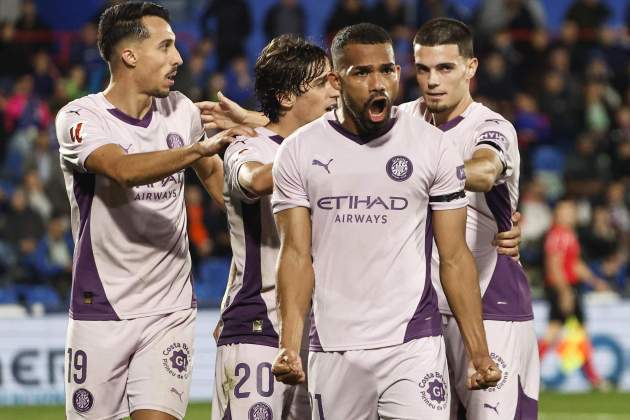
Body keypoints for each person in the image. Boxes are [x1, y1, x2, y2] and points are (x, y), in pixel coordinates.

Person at [270, 23, 500, 419]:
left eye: (387, 70)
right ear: (335, 80)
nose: (378, 83)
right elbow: (294, 256)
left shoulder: (431, 147)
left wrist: (478, 352)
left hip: (412, 344)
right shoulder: (299, 152)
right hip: (334, 345)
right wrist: (290, 346)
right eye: (362, 72)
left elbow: (455, 257)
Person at [55, 3, 250, 419]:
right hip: (102, 308)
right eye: (166, 46)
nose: (177, 58)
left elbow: (221, 188)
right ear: (129, 55)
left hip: (170, 309)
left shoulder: (181, 111)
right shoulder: (80, 118)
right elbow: (121, 171)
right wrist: (197, 149)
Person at [399, 18, 539, 419]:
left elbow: (484, 171)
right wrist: (259, 122)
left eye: (446, 68)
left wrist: (417, 172)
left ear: (471, 68)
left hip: (491, 303)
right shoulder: (400, 121)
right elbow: (325, 129)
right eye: (423, 69)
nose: (432, 81)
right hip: (422, 312)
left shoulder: (492, 126)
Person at [209, 34, 338, 420]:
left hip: (322, 332)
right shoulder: (247, 145)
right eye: (321, 83)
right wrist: (311, 145)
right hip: (258, 326)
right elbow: (253, 180)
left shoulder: (338, 147)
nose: (335, 92)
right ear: (286, 97)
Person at [539, 196, 610, 390]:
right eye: (565, 210)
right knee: (555, 333)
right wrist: (564, 292)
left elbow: (575, 264)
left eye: (571, 210)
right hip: (564, 288)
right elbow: (554, 265)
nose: (570, 214)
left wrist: (595, 282)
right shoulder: (558, 234)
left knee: (578, 334)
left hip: (571, 288)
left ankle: (593, 378)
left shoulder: (569, 233)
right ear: (558, 214)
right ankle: (530, 371)